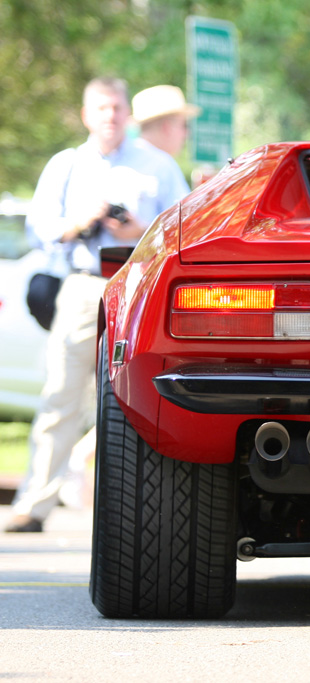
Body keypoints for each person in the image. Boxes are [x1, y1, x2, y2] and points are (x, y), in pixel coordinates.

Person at [5, 77, 190, 533]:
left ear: (127, 114)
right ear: (87, 115)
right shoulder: (67, 165)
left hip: (140, 288)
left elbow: (184, 225)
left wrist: (140, 230)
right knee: (61, 396)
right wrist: (80, 221)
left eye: (117, 108)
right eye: (101, 109)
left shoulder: (158, 165)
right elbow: (39, 230)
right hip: (85, 286)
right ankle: (35, 504)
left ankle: (139, 514)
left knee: (145, 395)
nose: (110, 116)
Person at [131, 84, 201, 158]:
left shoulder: (125, 159)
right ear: (167, 127)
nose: (187, 133)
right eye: (184, 125)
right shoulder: (164, 165)